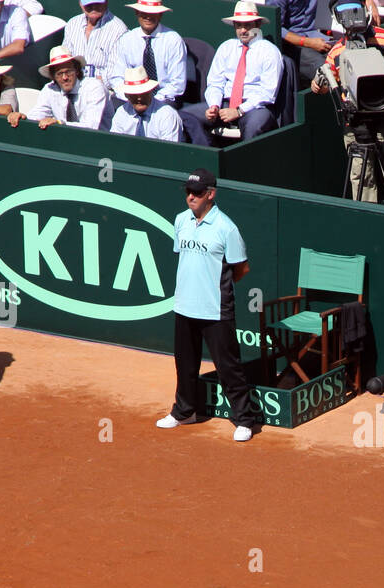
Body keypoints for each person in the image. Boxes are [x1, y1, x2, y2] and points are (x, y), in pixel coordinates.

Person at [156, 169, 262, 442]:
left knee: (229, 367)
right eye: (188, 192)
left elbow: (242, 268)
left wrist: (217, 288)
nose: (191, 197)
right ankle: (184, 412)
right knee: (185, 364)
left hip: (216, 310)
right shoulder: (181, 221)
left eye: (197, 192)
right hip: (184, 306)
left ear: (211, 194)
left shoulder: (227, 228)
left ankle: (244, 421)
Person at [312, 0, 384, 204]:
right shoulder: (336, 52)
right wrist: (318, 85)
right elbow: (323, 85)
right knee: (361, 178)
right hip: (356, 128)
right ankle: (367, 215)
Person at [182, 2, 283, 146]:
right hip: (225, 103)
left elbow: (267, 93)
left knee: (254, 126)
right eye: (238, 25)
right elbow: (215, 83)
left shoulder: (270, 52)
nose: (243, 30)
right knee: (184, 116)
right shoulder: (226, 48)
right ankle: (209, 158)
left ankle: (246, 167)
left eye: (247, 25)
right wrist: (214, 105)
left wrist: (239, 111)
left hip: (255, 107)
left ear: (258, 24)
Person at [112, 0, 188, 106]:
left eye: (153, 13)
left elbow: (177, 84)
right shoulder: (126, 40)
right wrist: (130, 98)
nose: (148, 17)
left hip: (163, 99)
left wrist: (151, 101)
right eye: (144, 13)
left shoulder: (173, 40)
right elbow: (117, 77)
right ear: (137, 13)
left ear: (160, 15)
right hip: (131, 98)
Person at [28, 45, 111, 129]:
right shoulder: (49, 89)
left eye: (68, 72)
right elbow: (36, 115)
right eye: (59, 74)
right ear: (53, 77)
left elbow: (91, 126)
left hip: (100, 140)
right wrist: (22, 117)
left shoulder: (94, 87)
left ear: (77, 71)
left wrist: (60, 123)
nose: (65, 78)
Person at [63, 0, 128, 90]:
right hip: (73, 88)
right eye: (88, 3)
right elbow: (64, 62)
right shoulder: (72, 24)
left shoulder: (119, 29)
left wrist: (86, 85)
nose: (93, 7)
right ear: (81, 4)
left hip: (104, 92)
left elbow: (113, 75)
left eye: (97, 3)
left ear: (106, 2)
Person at [109, 65, 183, 139]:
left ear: (150, 91)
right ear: (126, 95)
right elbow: (115, 145)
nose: (139, 98)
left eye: (143, 93)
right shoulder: (122, 113)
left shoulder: (167, 115)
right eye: (134, 94)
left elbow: (169, 149)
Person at [269, 0, 328, 85]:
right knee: (324, 67)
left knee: (340, 57)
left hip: (314, 37)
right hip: (289, 44)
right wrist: (308, 42)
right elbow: (275, 27)